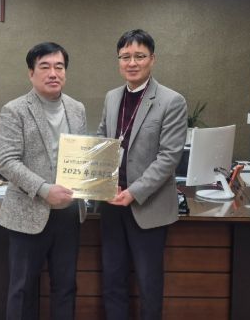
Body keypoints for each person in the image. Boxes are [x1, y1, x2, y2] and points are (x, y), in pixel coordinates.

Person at [97, 29, 188, 320]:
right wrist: (100, 182)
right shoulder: (112, 97)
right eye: (125, 57)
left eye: (139, 56)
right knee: (113, 278)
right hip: (111, 203)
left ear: (152, 59)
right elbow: (102, 140)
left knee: (149, 283)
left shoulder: (171, 101)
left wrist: (134, 192)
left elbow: (169, 157)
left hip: (147, 205)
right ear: (118, 61)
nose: (132, 63)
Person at [0, 42, 87, 320]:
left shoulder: (77, 109)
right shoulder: (14, 110)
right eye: (45, 67)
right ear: (31, 73)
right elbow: (6, 161)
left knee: (66, 287)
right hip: (28, 212)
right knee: (22, 289)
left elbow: (82, 157)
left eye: (59, 67)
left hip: (68, 213)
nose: (53, 73)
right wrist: (45, 190)